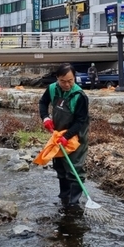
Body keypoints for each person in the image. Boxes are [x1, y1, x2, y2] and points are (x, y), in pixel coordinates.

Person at [38, 63, 89, 209]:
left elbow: (81, 121)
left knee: (74, 168)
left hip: (76, 135)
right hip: (58, 134)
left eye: (70, 81)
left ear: (74, 78)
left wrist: (67, 136)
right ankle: (64, 197)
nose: (66, 84)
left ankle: (74, 203)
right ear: (57, 78)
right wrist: (45, 118)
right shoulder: (52, 88)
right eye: (63, 81)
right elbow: (43, 103)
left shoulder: (80, 96)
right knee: (60, 166)